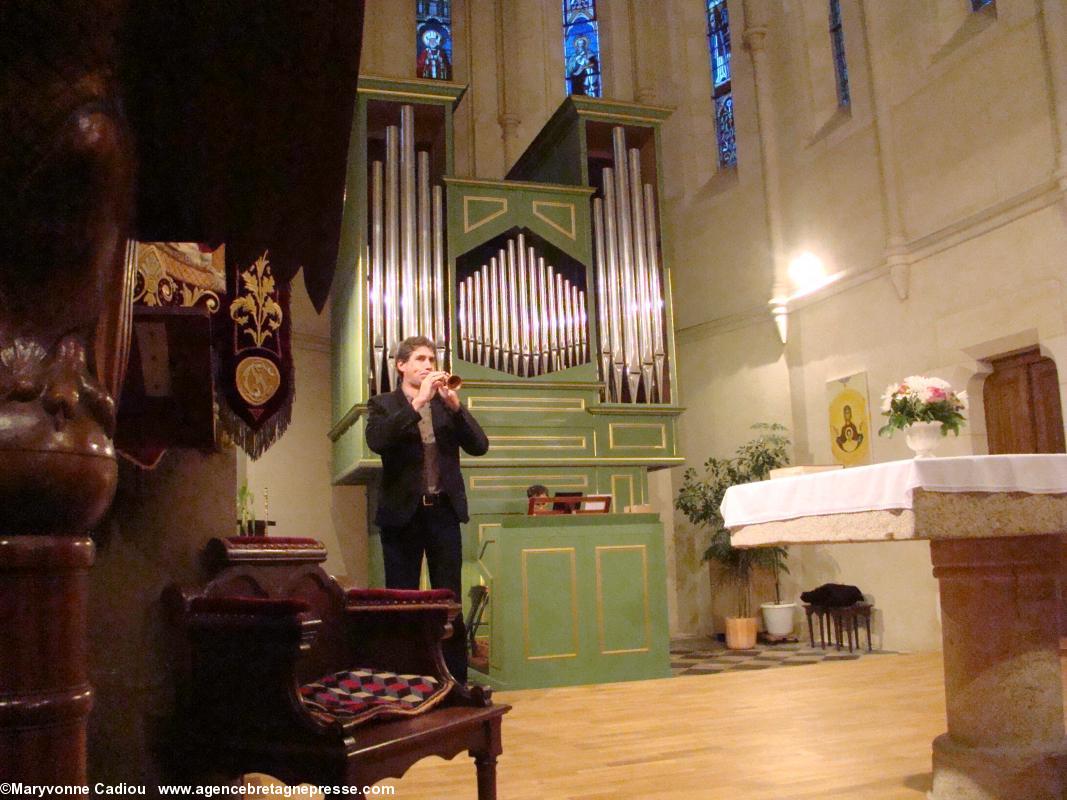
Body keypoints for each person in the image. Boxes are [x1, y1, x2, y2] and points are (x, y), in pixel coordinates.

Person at [365, 335, 489, 683]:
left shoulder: (445, 407)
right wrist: (417, 402)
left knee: (449, 601)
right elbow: (377, 441)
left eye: (432, 360)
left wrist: (456, 408)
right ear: (401, 365)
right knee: (402, 601)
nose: (428, 366)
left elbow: (480, 446)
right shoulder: (383, 405)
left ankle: (455, 683)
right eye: (420, 359)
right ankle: (403, 679)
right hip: (402, 516)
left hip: (442, 514)